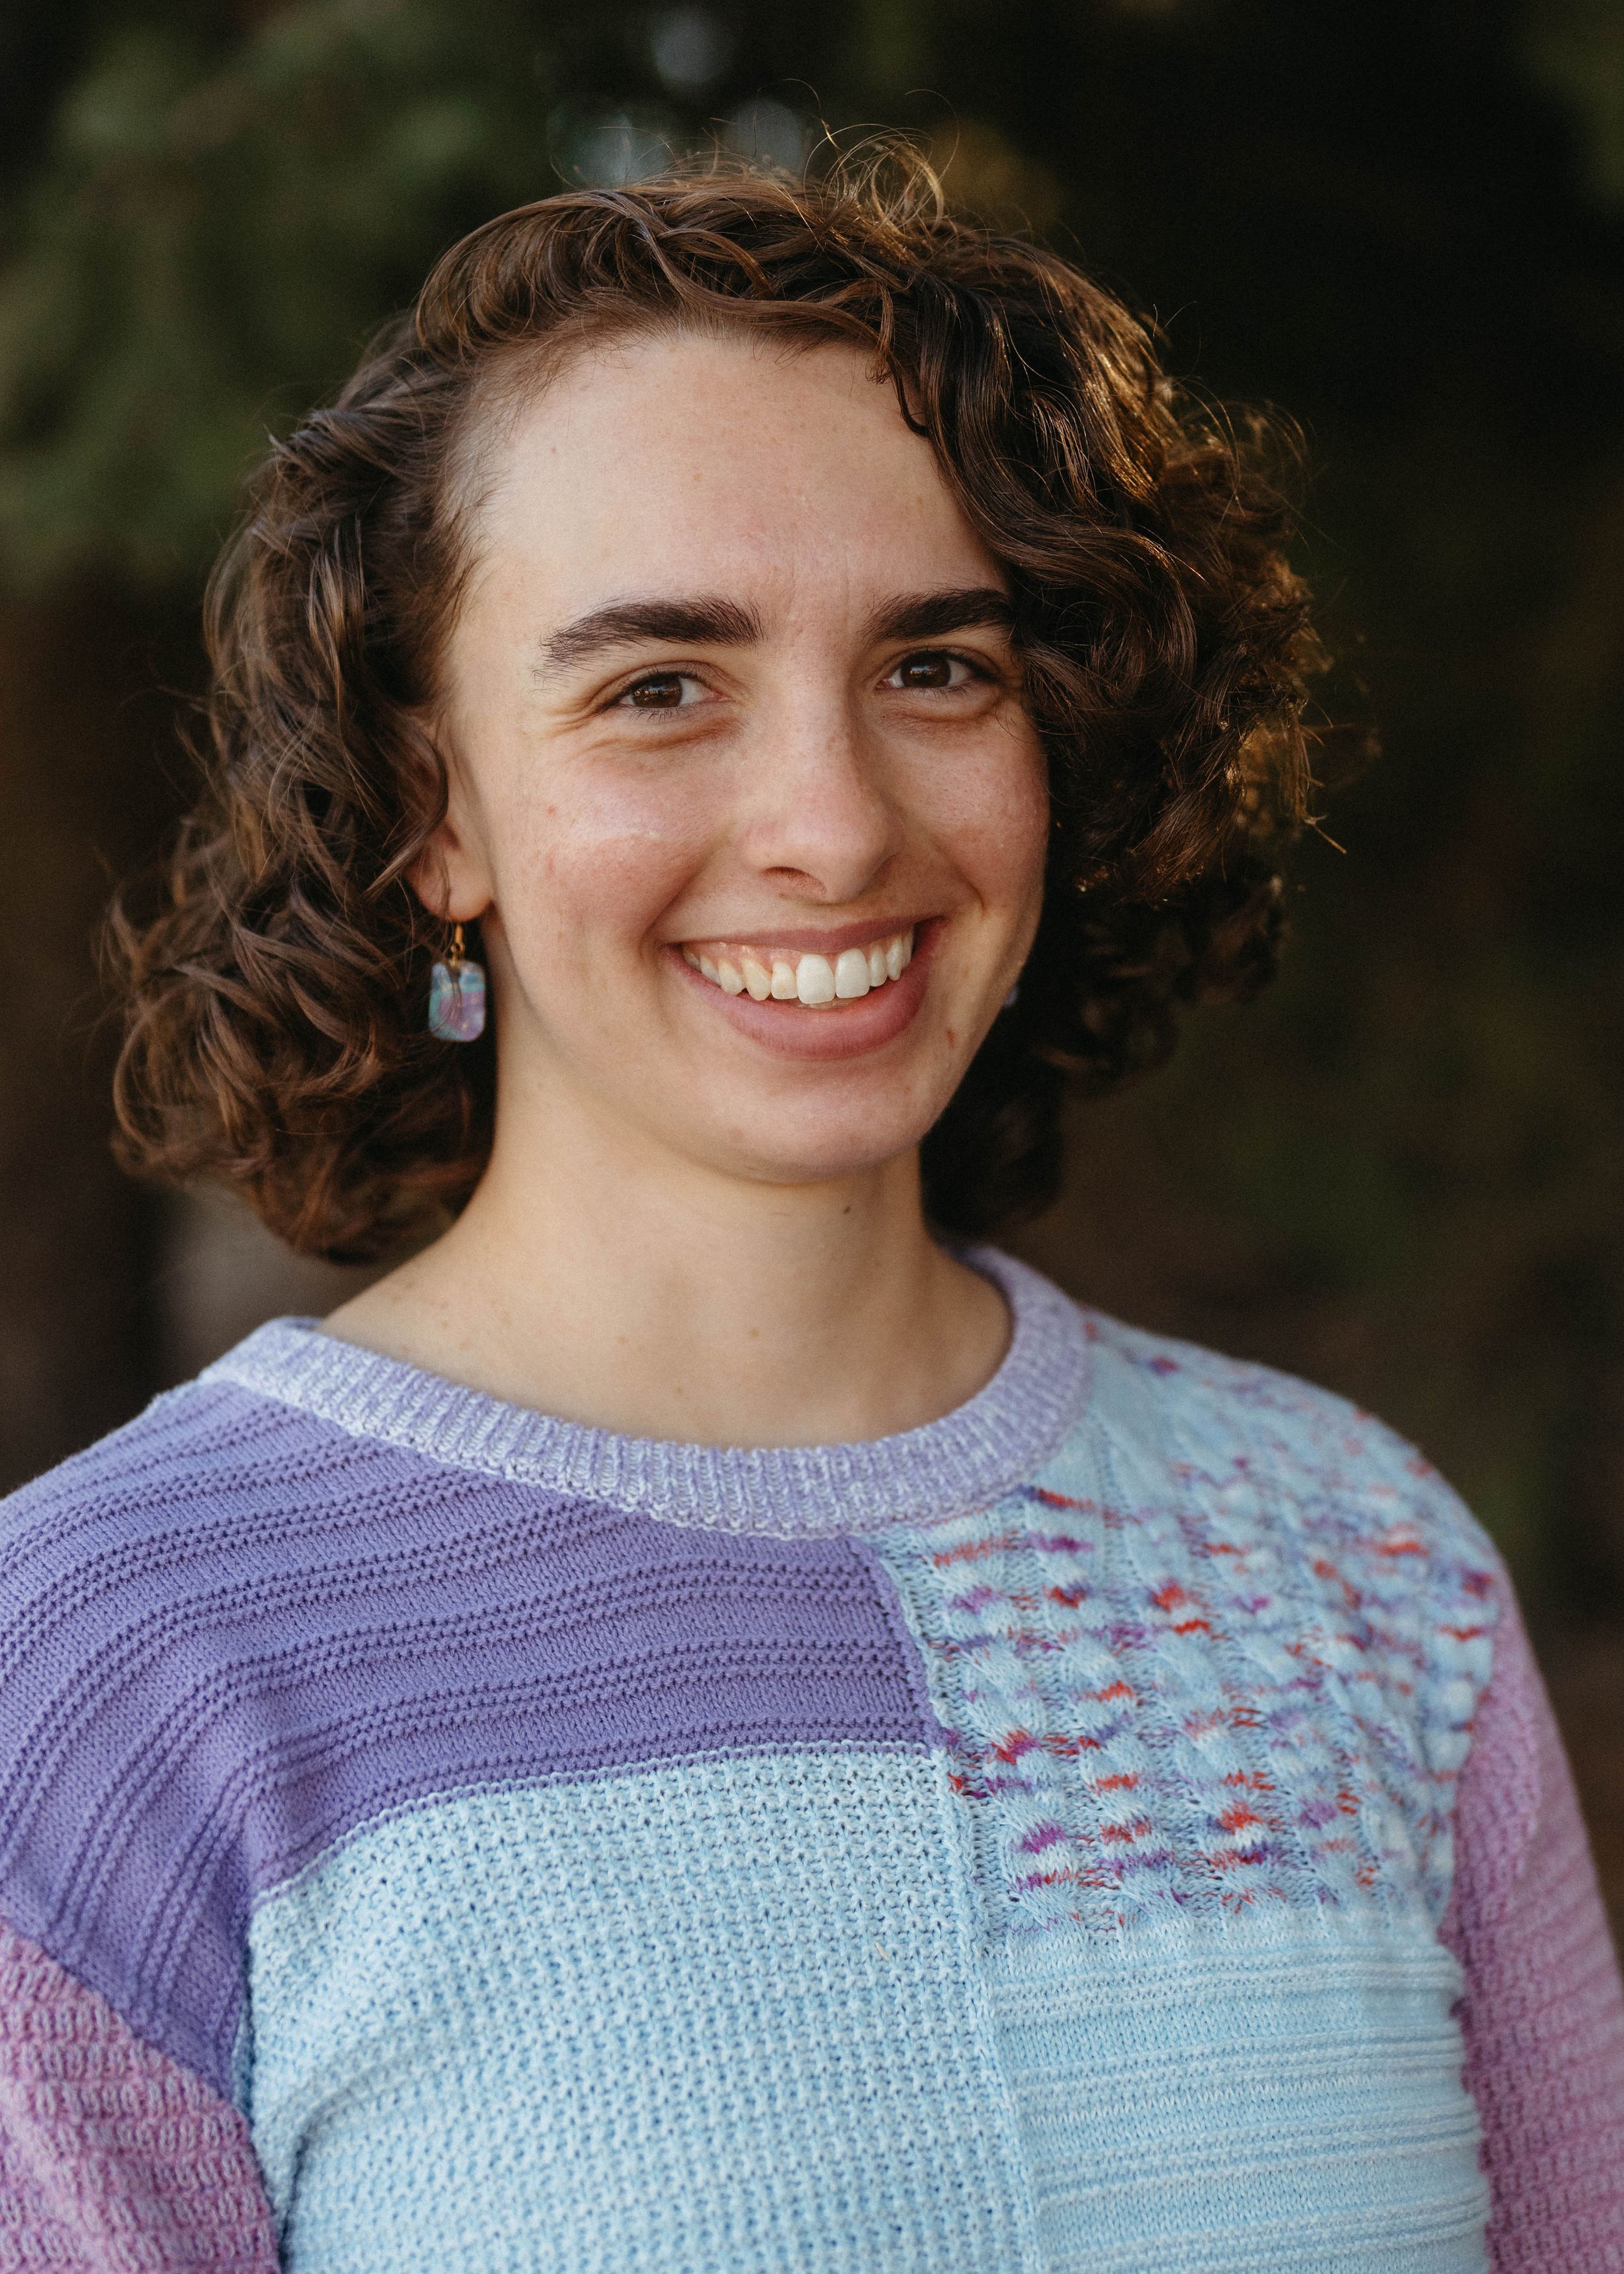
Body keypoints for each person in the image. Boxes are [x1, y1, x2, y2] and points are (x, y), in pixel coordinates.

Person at [0, 153, 1618, 2274]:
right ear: (429, 808)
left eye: (935, 667)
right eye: (658, 683)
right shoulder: (102, 1675)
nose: (833, 827)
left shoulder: (1358, 1564)